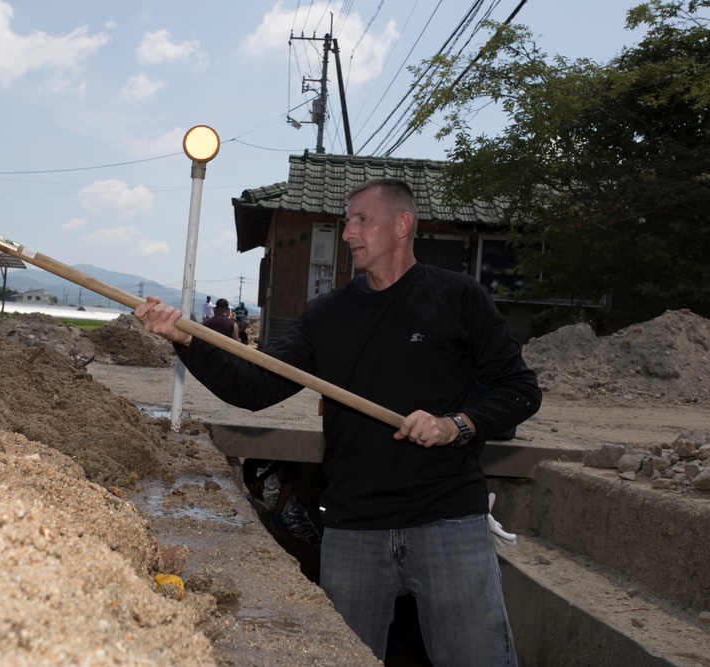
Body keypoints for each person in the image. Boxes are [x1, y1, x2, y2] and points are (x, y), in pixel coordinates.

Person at [134, 177, 542, 665]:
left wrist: (456, 424)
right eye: (346, 221)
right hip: (353, 528)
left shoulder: (458, 297)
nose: (348, 233)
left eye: (361, 220)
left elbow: (520, 391)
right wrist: (186, 340)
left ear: (402, 225)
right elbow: (254, 388)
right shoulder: (327, 315)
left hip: (448, 521)